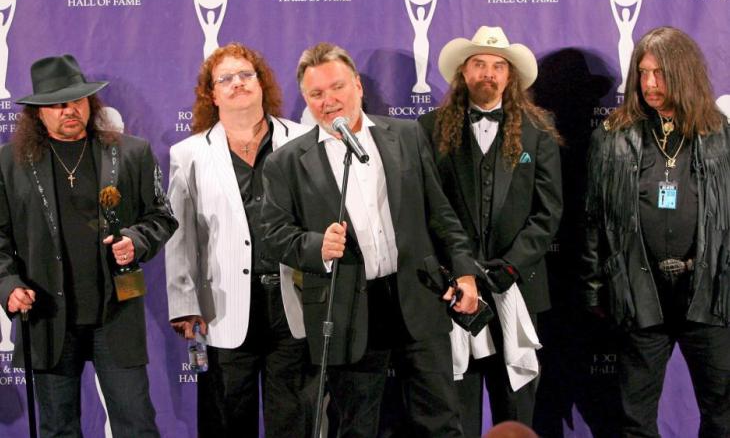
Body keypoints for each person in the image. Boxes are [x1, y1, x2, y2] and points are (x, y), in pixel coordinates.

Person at [261, 42, 480, 437]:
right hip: (346, 308)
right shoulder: (287, 162)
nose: (329, 101)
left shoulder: (407, 135)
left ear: (358, 86)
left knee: (441, 421)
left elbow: (441, 214)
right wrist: (315, 246)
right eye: (316, 93)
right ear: (306, 99)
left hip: (418, 296)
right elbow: (274, 235)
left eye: (337, 87)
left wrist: (464, 273)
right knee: (356, 427)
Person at [0, 54, 178, 437]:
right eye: (57, 104)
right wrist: (8, 285)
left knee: (136, 426)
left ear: (90, 101)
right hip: (47, 315)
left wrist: (135, 241)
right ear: (38, 113)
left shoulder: (132, 152)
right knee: (58, 429)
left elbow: (162, 216)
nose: (70, 110)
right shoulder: (9, 163)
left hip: (116, 313)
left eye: (77, 100)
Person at [580, 26, 730, 437]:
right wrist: (594, 290)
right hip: (640, 295)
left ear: (684, 73)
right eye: (643, 72)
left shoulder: (720, 135)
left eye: (660, 73)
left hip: (707, 294)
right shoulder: (612, 137)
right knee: (636, 419)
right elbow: (593, 220)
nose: (649, 84)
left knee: (722, 412)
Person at [419, 26, 562, 433]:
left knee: (515, 410)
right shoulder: (429, 128)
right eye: (479, 64)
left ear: (510, 75)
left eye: (498, 66)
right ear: (463, 72)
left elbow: (548, 212)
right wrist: (457, 270)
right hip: (453, 291)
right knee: (457, 409)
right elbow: (427, 209)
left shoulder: (539, 129)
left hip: (518, 289)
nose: (488, 73)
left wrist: (512, 266)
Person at [165, 43, 312, 437]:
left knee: (294, 422)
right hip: (223, 308)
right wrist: (184, 303)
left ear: (262, 83)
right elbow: (179, 234)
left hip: (293, 305)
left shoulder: (303, 139)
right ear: (212, 94)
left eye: (246, 75)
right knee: (227, 422)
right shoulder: (189, 153)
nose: (237, 83)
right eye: (225, 79)